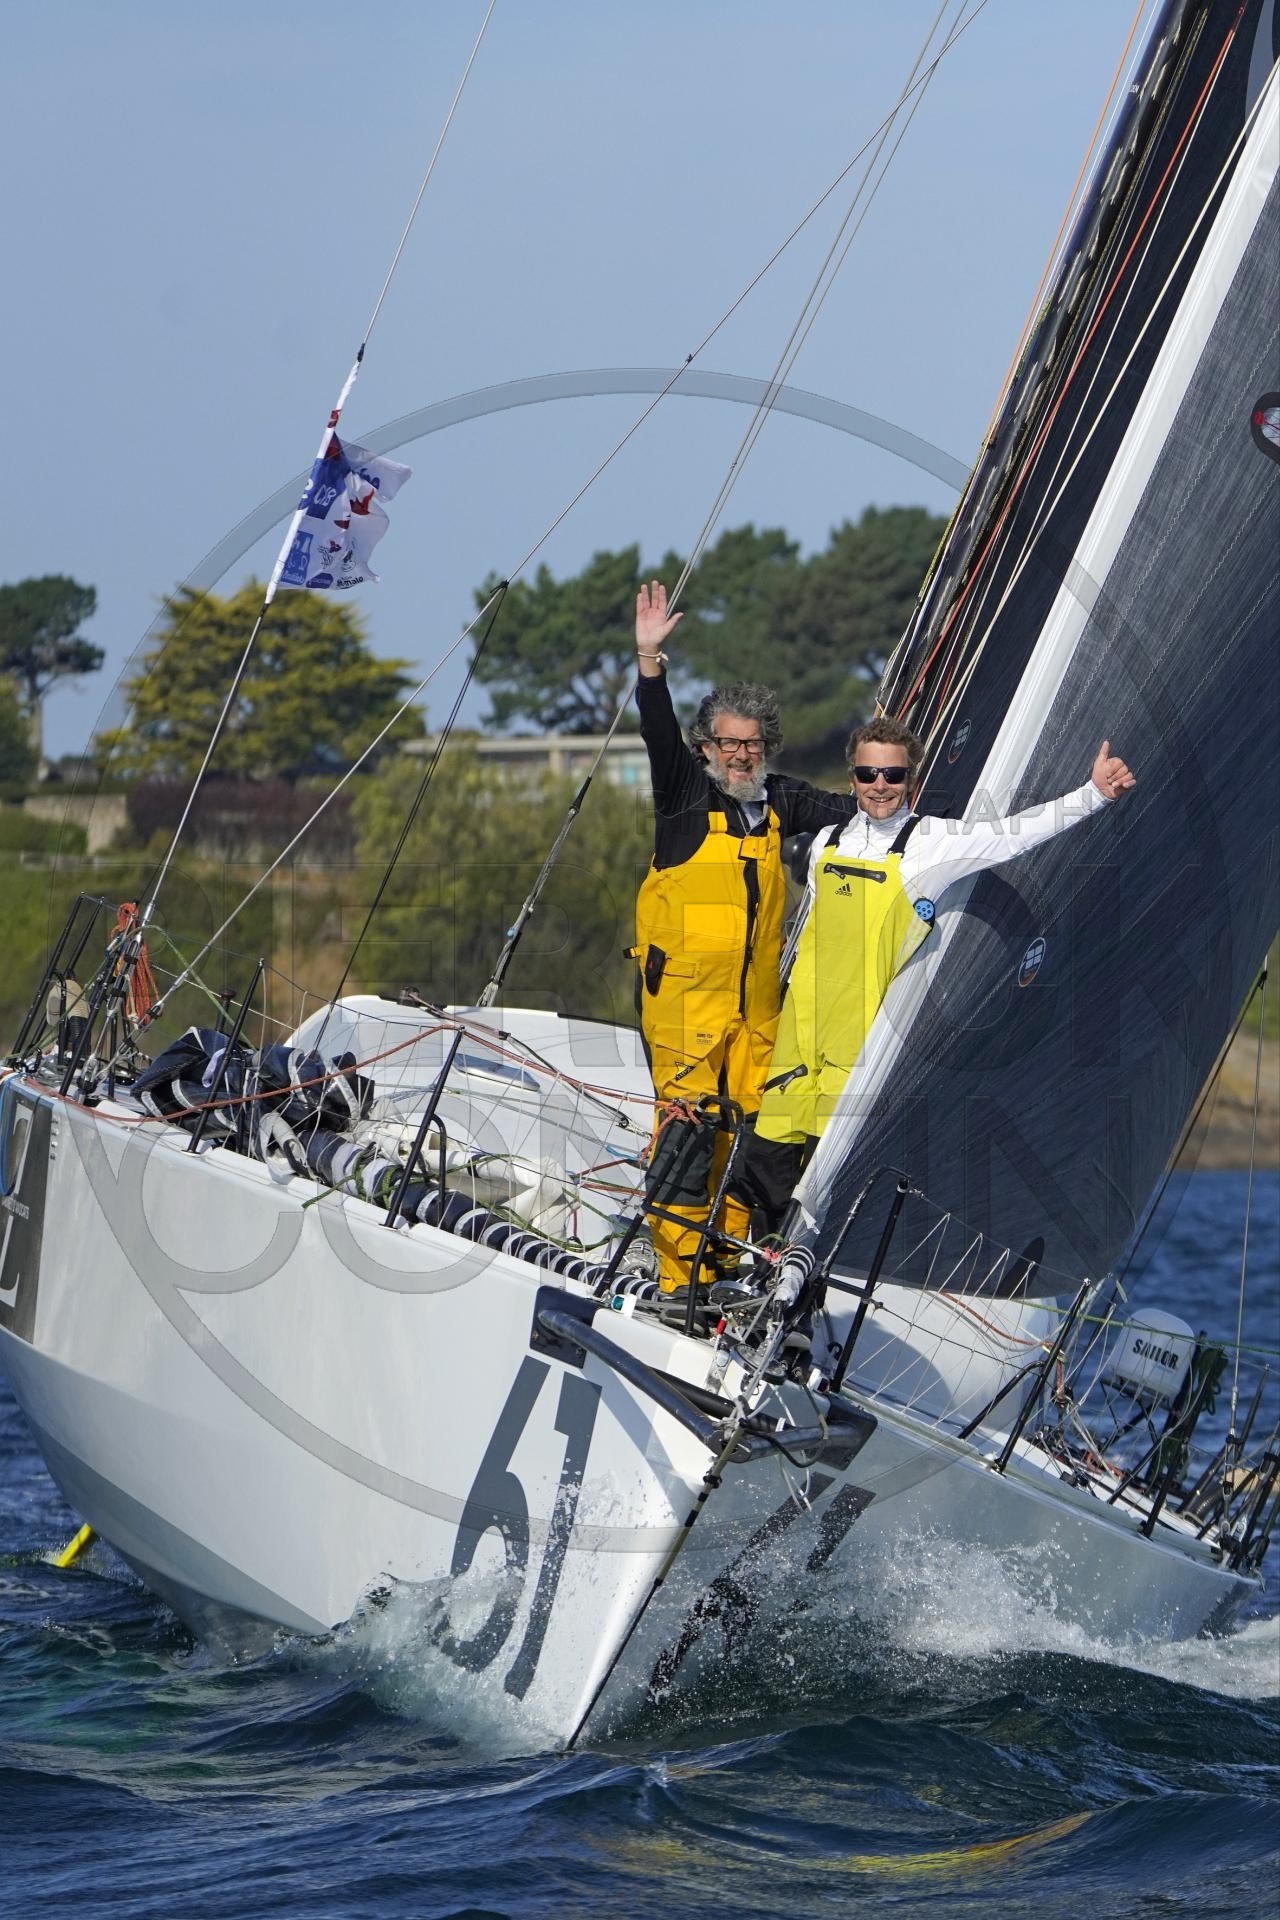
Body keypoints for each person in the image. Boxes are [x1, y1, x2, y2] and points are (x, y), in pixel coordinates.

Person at [736, 714, 1138, 1227]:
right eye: (868, 774)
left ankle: (796, 1264)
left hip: (861, 1043)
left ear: (912, 780)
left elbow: (1013, 836)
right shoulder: (823, 844)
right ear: (853, 777)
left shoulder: (933, 842)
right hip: (799, 1032)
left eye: (893, 775)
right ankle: (754, 1262)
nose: (880, 786)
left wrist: (1093, 795)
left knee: (822, 1176)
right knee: (767, 1160)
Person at [631, 580, 861, 1295]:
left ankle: (728, 1266)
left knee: (754, 1145)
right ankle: (680, 1281)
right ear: (706, 747)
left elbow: (861, 811)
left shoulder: (782, 799)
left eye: (753, 744)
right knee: (689, 1139)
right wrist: (649, 661)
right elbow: (656, 731)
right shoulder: (684, 796)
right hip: (686, 1014)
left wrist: (915, 798)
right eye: (729, 743)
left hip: (756, 1018)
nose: (741, 755)